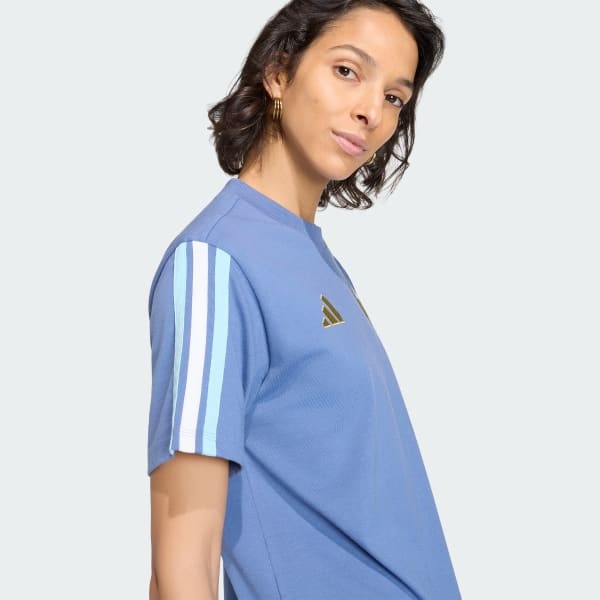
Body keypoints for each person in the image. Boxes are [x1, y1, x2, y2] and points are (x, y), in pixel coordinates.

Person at [146, 1, 462, 598]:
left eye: (394, 97)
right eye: (347, 70)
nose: (371, 111)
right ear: (278, 71)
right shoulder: (213, 264)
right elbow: (182, 565)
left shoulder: (316, 260)